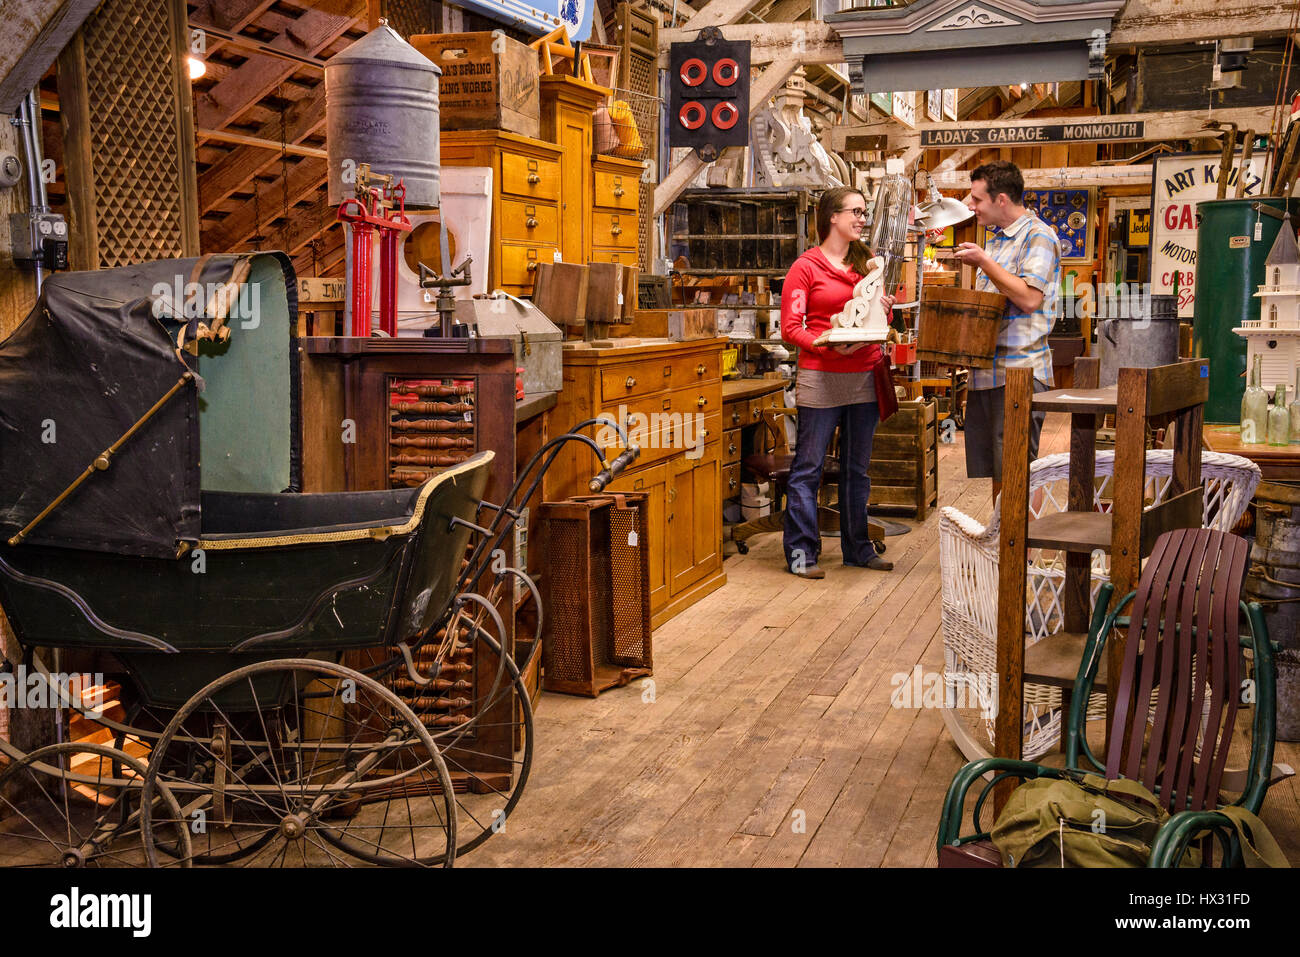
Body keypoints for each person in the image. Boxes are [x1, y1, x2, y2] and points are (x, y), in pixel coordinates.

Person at [778, 186, 897, 580]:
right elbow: (791, 328)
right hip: (821, 377)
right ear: (832, 216)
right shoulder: (806, 268)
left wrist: (884, 314)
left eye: (864, 212)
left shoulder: (868, 265)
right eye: (856, 212)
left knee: (856, 471)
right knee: (808, 469)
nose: (862, 219)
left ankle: (858, 550)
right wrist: (827, 345)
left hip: (864, 375)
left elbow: (873, 324)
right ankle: (801, 555)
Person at [953, 160, 1061, 502]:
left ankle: (1020, 553)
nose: (971, 206)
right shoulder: (997, 241)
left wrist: (984, 262)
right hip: (987, 373)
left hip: (1019, 372)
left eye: (976, 199)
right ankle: (1004, 547)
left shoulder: (1039, 236)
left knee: (1018, 471)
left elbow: (1029, 298)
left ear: (1001, 199)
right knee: (1000, 471)